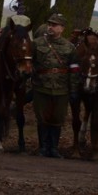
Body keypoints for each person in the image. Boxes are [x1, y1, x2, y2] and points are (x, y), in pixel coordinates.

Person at [31, 13, 80, 158]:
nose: (51, 27)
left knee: (57, 118)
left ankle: (53, 148)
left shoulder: (70, 47)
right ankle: (43, 148)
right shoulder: (37, 43)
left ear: (62, 28)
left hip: (61, 88)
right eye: (49, 24)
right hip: (41, 86)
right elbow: (29, 64)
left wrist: (74, 89)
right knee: (42, 118)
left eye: (54, 25)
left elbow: (75, 69)